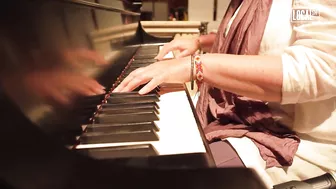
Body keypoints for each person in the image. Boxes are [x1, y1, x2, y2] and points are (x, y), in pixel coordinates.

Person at [114, 0, 336, 187]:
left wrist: (196, 66)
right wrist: (199, 41)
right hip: (235, 117)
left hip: (293, 140)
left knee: (171, 177)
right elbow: (250, 37)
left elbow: (320, 68)